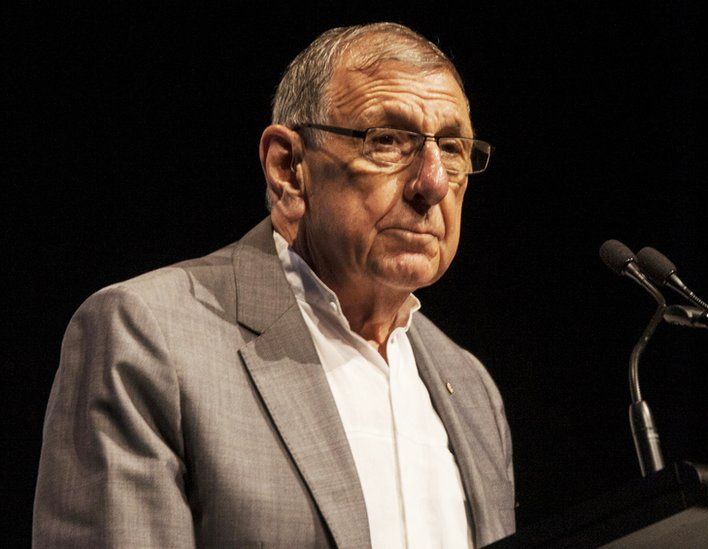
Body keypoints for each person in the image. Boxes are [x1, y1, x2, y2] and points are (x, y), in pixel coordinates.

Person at [33, 23, 514, 547]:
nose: (433, 183)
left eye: (451, 148)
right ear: (288, 166)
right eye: (388, 141)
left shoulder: (470, 388)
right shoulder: (149, 336)